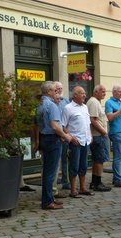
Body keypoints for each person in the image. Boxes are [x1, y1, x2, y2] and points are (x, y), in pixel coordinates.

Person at [36, 81, 72, 210]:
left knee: (47, 171)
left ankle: (49, 198)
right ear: (48, 92)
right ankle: (47, 201)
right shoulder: (51, 105)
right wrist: (65, 136)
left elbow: (36, 125)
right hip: (52, 140)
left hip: (44, 139)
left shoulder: (40, 105)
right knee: (50, 172)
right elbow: (55, 126)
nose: (56, 92)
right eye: (53, 90)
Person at [62, 86, 93, 198]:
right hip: (75, 142)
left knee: (84, 165)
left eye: (84, 93)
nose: (84, 95)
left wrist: (90, 135)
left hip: (85, 141)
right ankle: (73, 189)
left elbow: (88, 123)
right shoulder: (68, 108)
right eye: (81, 93)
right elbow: (63, 126)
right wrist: (70, 137)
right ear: (75, 95)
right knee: (74, 165)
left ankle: (83, 188)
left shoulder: (85, 107)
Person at [86, 84, 112, 192]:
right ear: (95, 92)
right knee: (99, 160)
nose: (104, 93)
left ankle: (94, 182)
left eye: (105, 91)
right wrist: (103, 132)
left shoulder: (95, 102)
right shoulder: (94, 102)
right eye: (102, 91)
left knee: (97, 160)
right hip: (98, 135)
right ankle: (98, 183)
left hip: (98, 135)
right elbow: (92, 120)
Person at [105, 85, 121, 188]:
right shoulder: (109, 102)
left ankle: (117, 177)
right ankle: (118, 179)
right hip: (117, 132)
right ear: (114, 92)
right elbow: (110, 117)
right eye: (119, 92)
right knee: (118, 156)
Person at [55, 81, 70, 190]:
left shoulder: (66, 101)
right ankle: (54, 184)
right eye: (57, 88)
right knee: (55, 162)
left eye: (61, 88)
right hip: (55, 134)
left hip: (64, 133)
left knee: (65, 159)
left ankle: (66, 181)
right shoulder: (51, 102)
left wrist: (67, 133)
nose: (59, 90)